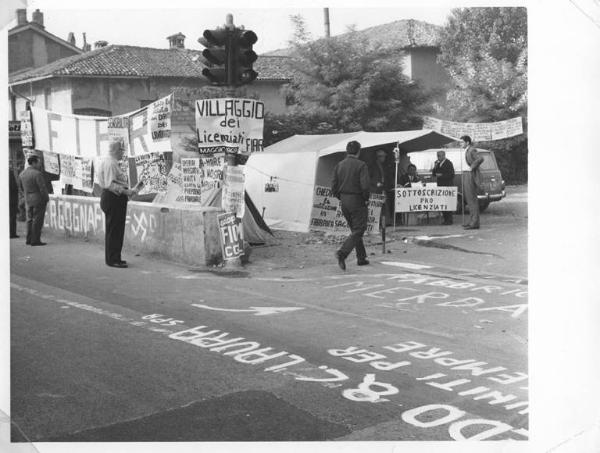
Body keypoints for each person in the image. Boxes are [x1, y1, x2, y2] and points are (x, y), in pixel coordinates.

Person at [95, 139, 139, 268]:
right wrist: (127, 192)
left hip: (114, 198)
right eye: (121, 149)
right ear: (114, 150)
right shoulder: (110, 163)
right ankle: (113, 259)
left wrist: (126, 192)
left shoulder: (110, 162)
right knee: (114, 230)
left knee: (116, 230)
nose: (122, 152)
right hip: (113, 198)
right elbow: (111, 184)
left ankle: (115, 257)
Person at [331, 140, 370, 270]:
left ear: (347, 151)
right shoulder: (361, 165)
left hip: (344, 200)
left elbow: (334, 186)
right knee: (359, 229)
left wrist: (341, 197)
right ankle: (342, 253)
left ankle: (361, 257)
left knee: (355, 230)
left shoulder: (339, 165)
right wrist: (366, 198)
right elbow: (365, 186)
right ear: (359, 151)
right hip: (357, 199)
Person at [18, 155, 49, 246]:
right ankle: (35, 240)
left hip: (28, 199)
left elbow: (20, 188)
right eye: (38, 162)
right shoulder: (37, 174)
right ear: (34, 163)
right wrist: (46, 198)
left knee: (30, 219)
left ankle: (29, 239)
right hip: (38, 199)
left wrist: (26, 195)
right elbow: (42, 188)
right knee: (37, 220)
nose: (40, 164)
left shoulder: (22, 174)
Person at [460, 135, 484, 229]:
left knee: (472, 199)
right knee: (469, 199)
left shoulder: (471, 150)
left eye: (462, 142)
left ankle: (475, 223)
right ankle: (472, 221)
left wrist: (472, 167)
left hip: (470, 174)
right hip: (465, 174)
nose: (460, 144)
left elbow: (480, 159)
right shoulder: (466, 150)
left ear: (467, 142)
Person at [369, 149, 393, 226]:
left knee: (384, 205)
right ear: (378, 157)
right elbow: (369, 177)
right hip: (375, 189)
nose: (384, 158)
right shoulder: (372, 166)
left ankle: (386, 222)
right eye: (383, 157)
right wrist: (375, 183)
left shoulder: (384, 166)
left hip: (382, 188)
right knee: (376, 206)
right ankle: (377, 222)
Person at [432, 150, 456, 225]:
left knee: (448, 203)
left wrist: (441, 175)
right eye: (437, 156)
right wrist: (435, 166)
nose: (438, 157)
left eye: (439, 156)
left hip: (447, 185)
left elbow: (452, 175)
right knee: (442, 203)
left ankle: (449, 220)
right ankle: (445, 219)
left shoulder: (448, 163)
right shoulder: (438, 164)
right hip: (440, 186)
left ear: (443, 155)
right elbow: (433, 174)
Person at [9, 168, 20, 238]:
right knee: (12, 217)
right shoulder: (9, 173)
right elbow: (14, 187)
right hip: (11, 200)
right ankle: (12, 233)